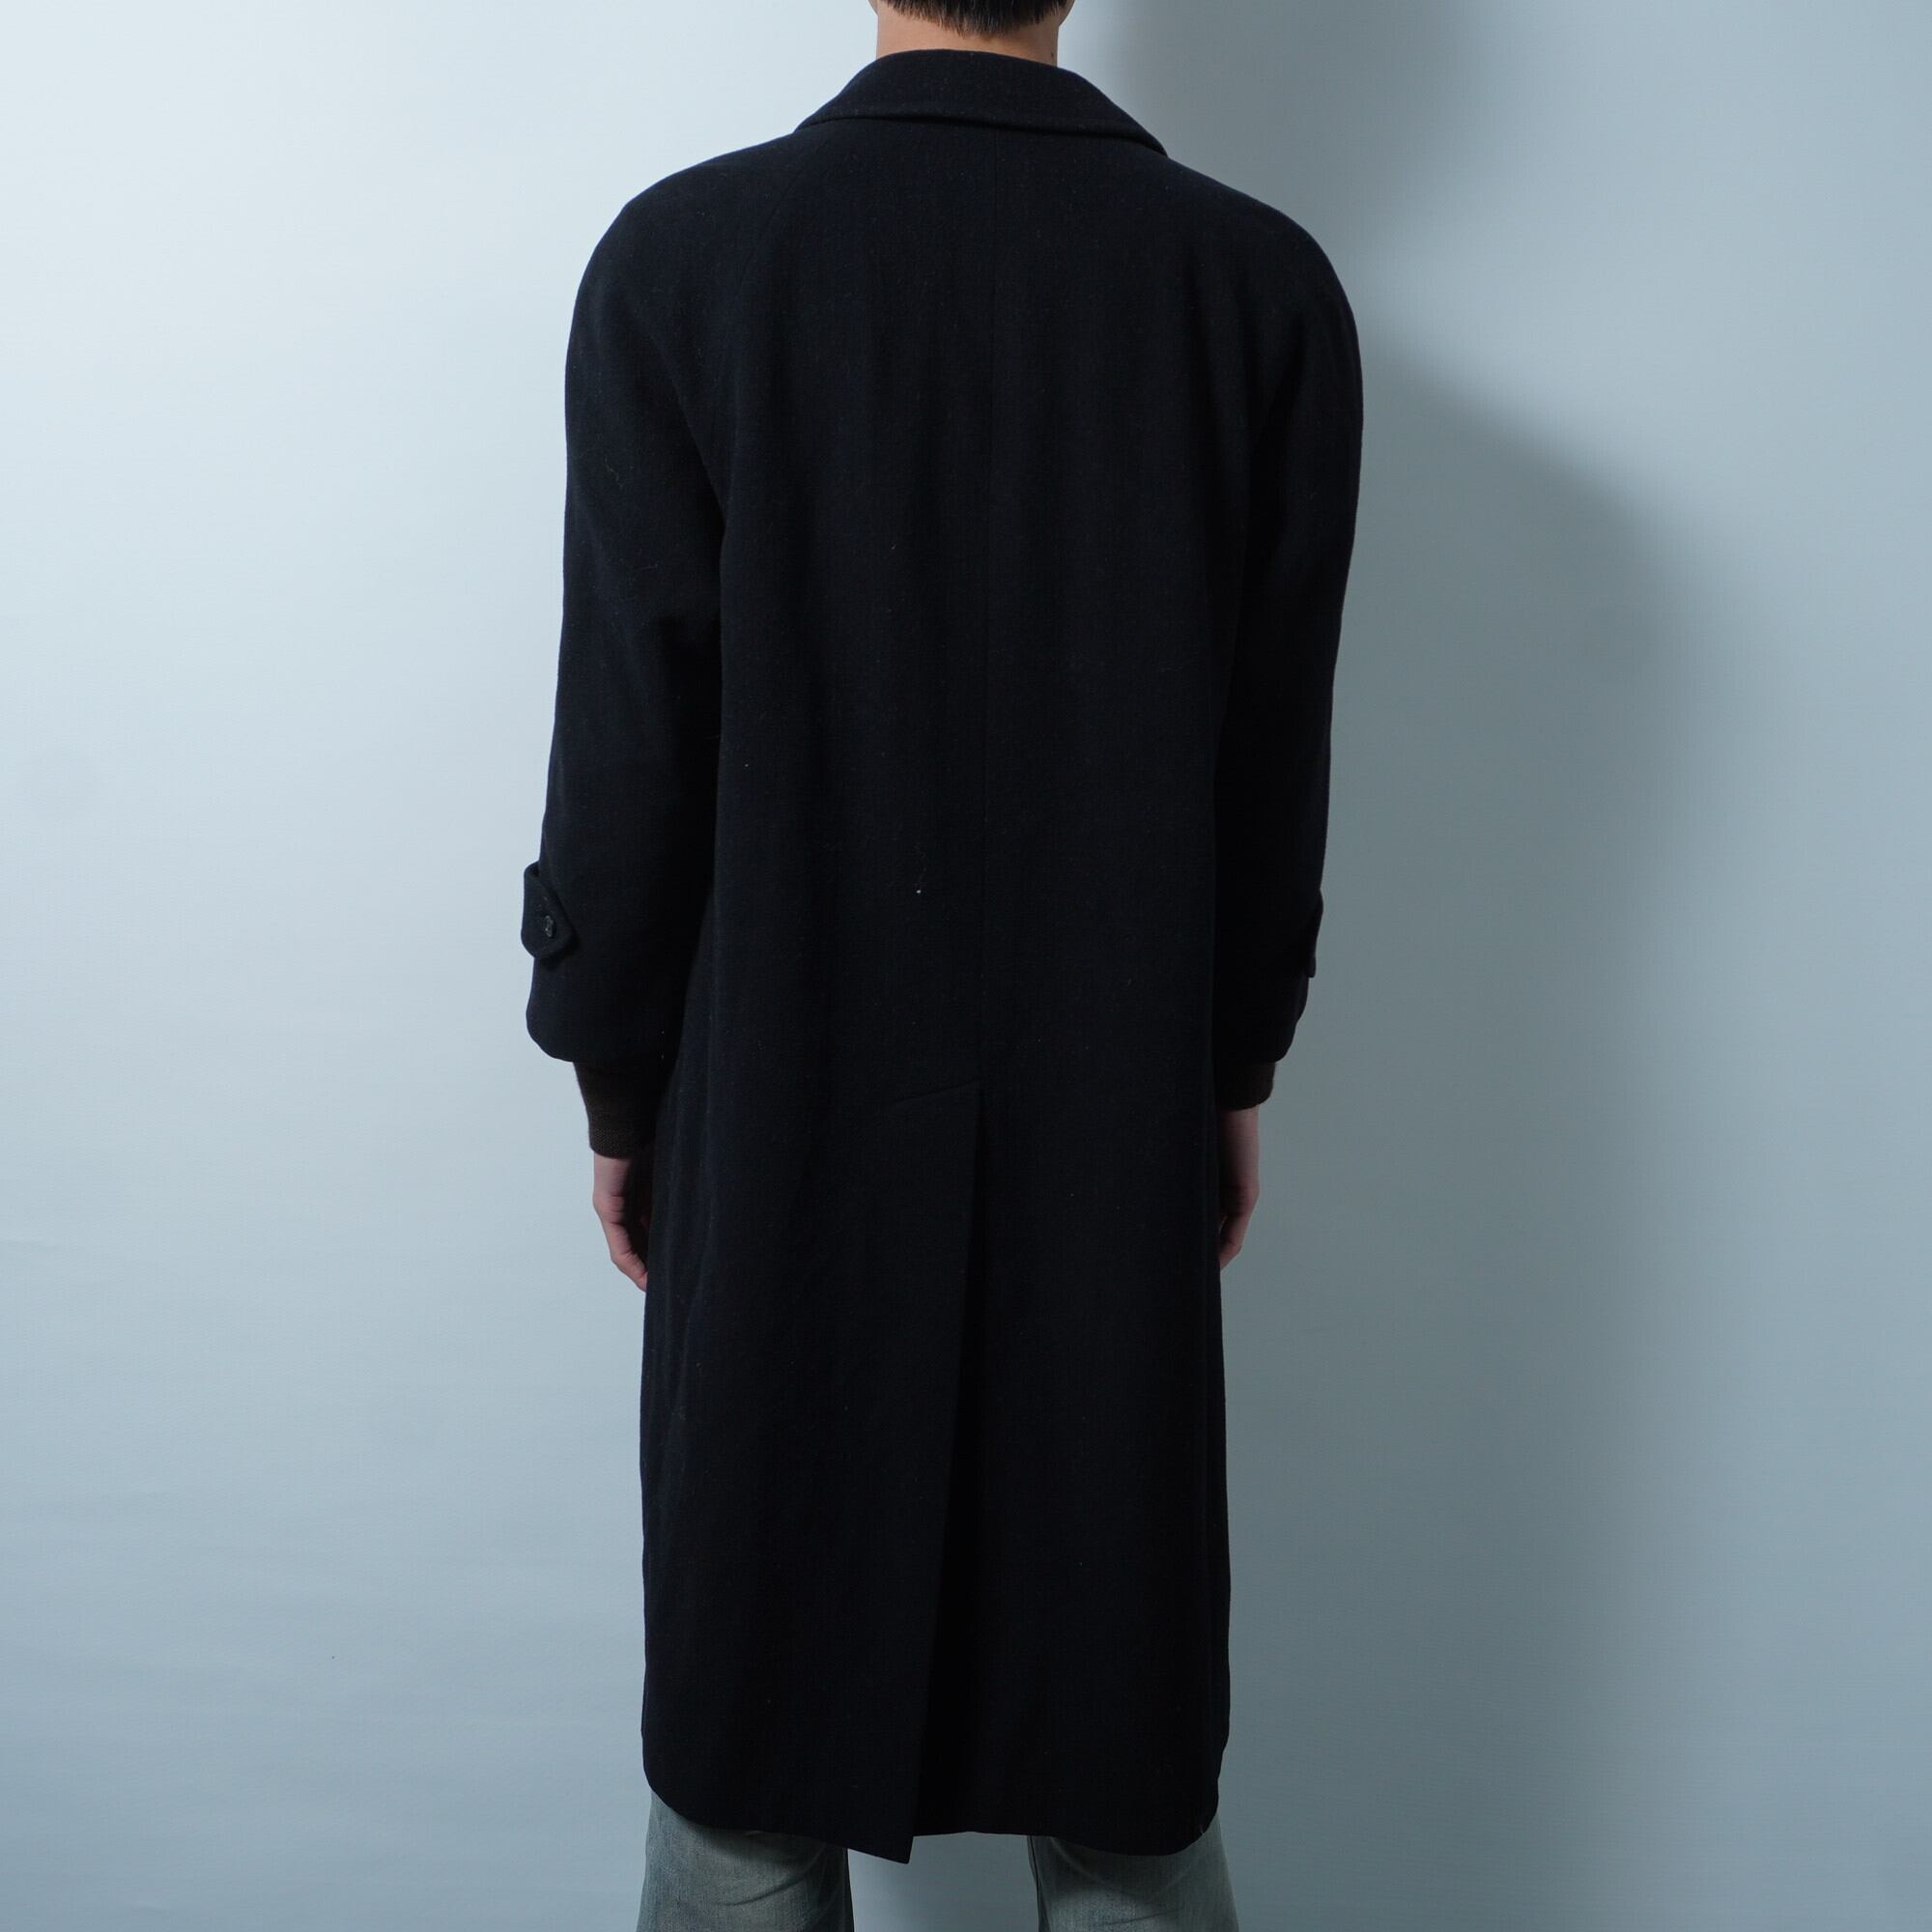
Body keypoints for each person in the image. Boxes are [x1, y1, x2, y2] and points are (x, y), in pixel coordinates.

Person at [518, 0, 1364, 1923]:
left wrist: (619, 1078)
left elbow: (632, 742)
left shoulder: (686, 259)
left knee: (745, 1755)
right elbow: (1270, 760)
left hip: (775, 1102)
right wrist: (1230, 1064)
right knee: (1124, 1752)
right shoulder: (1257, 290)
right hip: (1115, 1098)